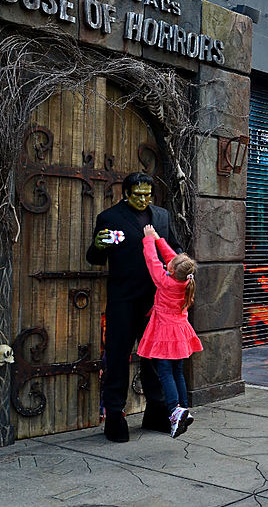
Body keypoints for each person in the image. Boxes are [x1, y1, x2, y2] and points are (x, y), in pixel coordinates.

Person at [86, 172, 181, 442]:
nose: (143, 199)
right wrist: (97, 245)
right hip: (123, 300)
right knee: (117, 358)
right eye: (137, 194)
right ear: (126, 193)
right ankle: (115, 417)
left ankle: (156, 412)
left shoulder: (161, 216)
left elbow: (173, 249)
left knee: (154, 359)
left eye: (147, 194)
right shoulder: (109, 218)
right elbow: (93, 258)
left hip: (156, 302)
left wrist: (183, 270)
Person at [139, 224, 203, 438]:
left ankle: (175, 410)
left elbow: (152, 261)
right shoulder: (185, 281)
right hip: (180, 332)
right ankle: (184, 409)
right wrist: (159, 239)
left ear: (172, 270)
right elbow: (173, 259)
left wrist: (149, 239)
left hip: (165, 333)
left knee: (165, 372)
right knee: (178, 372)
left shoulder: (165, 282)